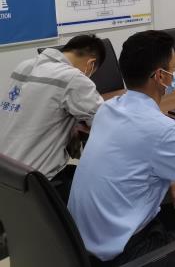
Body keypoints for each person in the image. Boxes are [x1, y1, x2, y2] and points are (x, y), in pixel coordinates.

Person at [68, 30, 175, 266]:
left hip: (82, 246)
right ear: (161, 76)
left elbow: (133, 154)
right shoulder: (161, 129)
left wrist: (169, 170)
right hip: (124, 253)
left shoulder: (108, 109)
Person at [0, 34, 105, 202]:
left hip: (6, 172)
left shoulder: (24, 65)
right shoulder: (73, 78)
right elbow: (105, 121)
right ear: (91, 64)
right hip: (35, 184)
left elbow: (39, 109)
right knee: (98, 189)